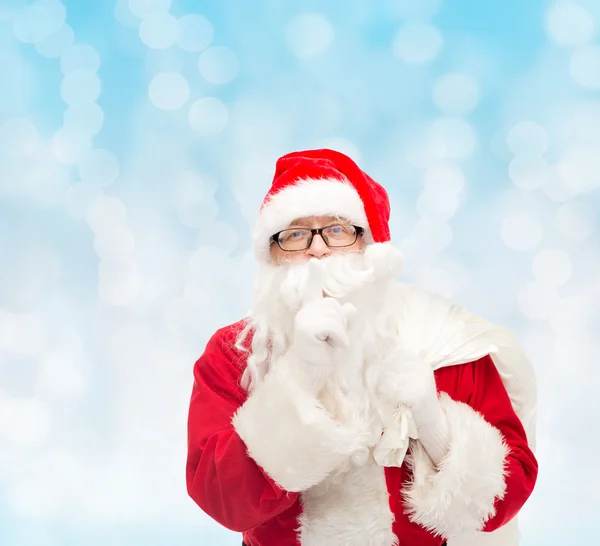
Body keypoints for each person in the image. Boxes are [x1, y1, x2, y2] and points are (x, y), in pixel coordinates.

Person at [186, 149, 538, 546]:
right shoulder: (235, 353)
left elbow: (507, 494)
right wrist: (299, 379)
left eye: (337, 230)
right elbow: (222, 501)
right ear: (271, 253)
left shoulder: (440, 338)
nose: (317, 249)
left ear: (370, 245)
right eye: (295, 234)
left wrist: (433, 421)